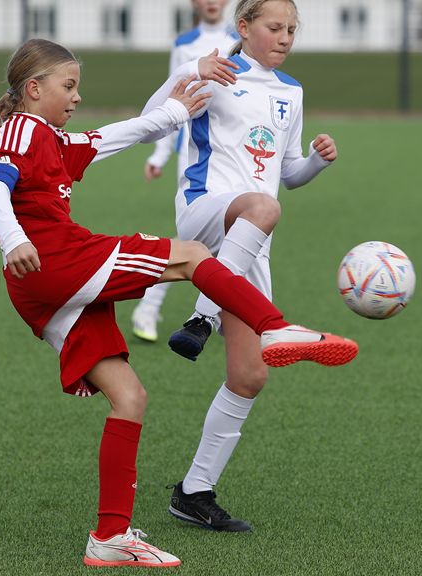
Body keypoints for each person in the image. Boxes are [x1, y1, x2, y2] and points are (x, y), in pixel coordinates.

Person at [0, 39, 357, 568]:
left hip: (44, 285)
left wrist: (173, 112)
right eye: (68, 86)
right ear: (33, 89)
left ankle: (109, 538)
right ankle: (272, 326)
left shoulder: (51, 137)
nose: (77, 96)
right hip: (56, 262)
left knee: (130, 398)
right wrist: (13, 237)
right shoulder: (23, 128)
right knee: (191, 254)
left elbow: (113, 136)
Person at [145, 0, 339, 531]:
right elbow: (152, 116)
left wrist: (317, 161)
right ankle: (202, 316)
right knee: (263, 205)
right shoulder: (215, 70)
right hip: (206, 213)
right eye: (275, 27)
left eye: (292, 30)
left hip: (250, 240)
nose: (285, 37)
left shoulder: (291, 92)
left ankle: (194, 491)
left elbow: (289, 172)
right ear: (245, 26)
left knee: (250, 377)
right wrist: (189, 72)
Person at [131, 0, 239, 343]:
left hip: (233, 152)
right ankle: (154, 308)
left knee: (224, 240)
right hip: (195, 153)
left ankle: (210, 316)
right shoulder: (183, 45)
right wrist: (161, 154)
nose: (211, 2)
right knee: (196, 240)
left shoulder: (242, 39)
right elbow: (172, 98)